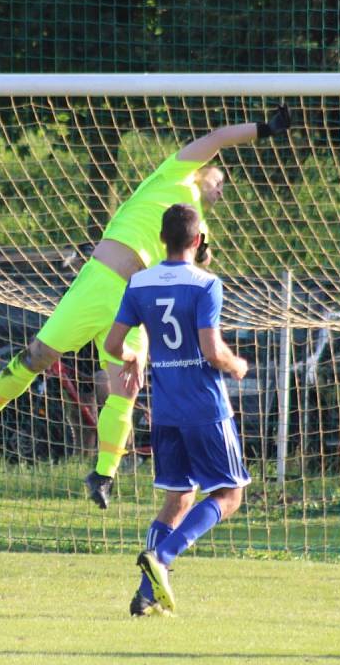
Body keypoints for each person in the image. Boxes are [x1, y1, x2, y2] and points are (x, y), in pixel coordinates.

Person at [0, 106, 291, 510]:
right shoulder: (172, 175)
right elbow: (216, 138)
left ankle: (103, 474)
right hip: (98, 284)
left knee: (125, 388)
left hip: (134, 302)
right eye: (219, 181)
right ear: (201, 171)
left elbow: (191, 265)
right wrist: (263, 129)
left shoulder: (195, 225)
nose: (220, 190)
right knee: (38, 356)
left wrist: (204, 252)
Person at [105, 202, 250, 616]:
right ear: (198, 239)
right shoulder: (206, 284)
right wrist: (236, 365)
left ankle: (146, 594)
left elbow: (113, 345)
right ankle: (163, 557)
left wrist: (134, 358)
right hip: (204, 408)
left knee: (178, 498)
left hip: (165, 410)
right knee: (229, 493)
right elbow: (212, 350)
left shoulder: (139, 283)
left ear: (162, 239)